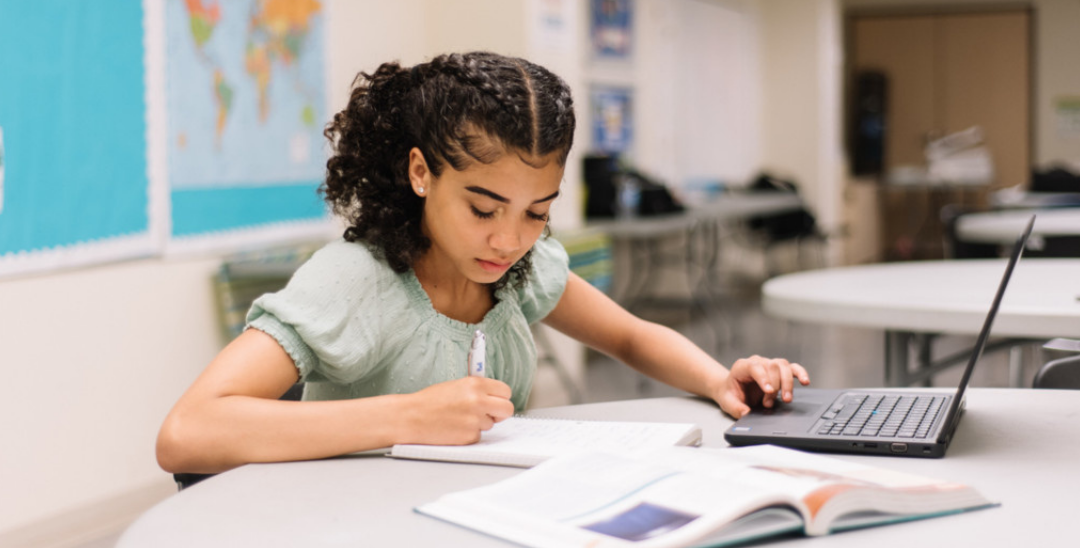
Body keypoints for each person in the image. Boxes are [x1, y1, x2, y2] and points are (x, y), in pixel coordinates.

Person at [156, 51, 810, 474]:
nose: (509, 239)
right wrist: (407, 417)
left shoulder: (521, 270)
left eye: (536, 212)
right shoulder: (356, 281)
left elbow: (630, 335)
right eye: (483, 207)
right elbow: (188, 431)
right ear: (421, 172)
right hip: (353, 546)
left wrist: (720, 379)